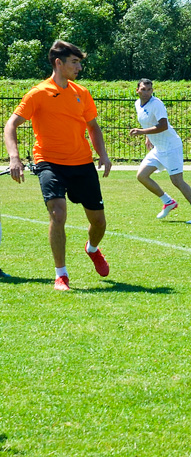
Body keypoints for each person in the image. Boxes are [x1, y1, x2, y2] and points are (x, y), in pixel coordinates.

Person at [3, 40, 112, 291]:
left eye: (79, 63)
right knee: (58, 213)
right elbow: (11, 125)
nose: (79, 68)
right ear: (58, 63)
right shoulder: (38, 93)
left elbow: (93, 127)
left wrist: (103, 155)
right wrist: (14, 158)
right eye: (75, 62)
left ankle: (92, 249)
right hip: (49, 162)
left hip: (82, 162)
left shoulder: (81, 93)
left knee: (99, 223)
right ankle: (61, 275)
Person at [129, 79, 191, 224]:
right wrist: (148, 136)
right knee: (142, 176)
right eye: (143, 89)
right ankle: (168, 202)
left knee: (177, 181)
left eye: (149, 89)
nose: (146, 92)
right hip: (159, 148)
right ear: (137, 90)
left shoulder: (156, 104)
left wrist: (141, 132)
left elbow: (163, 125)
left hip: (171, 147)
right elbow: (149, 122)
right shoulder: (137, 104)